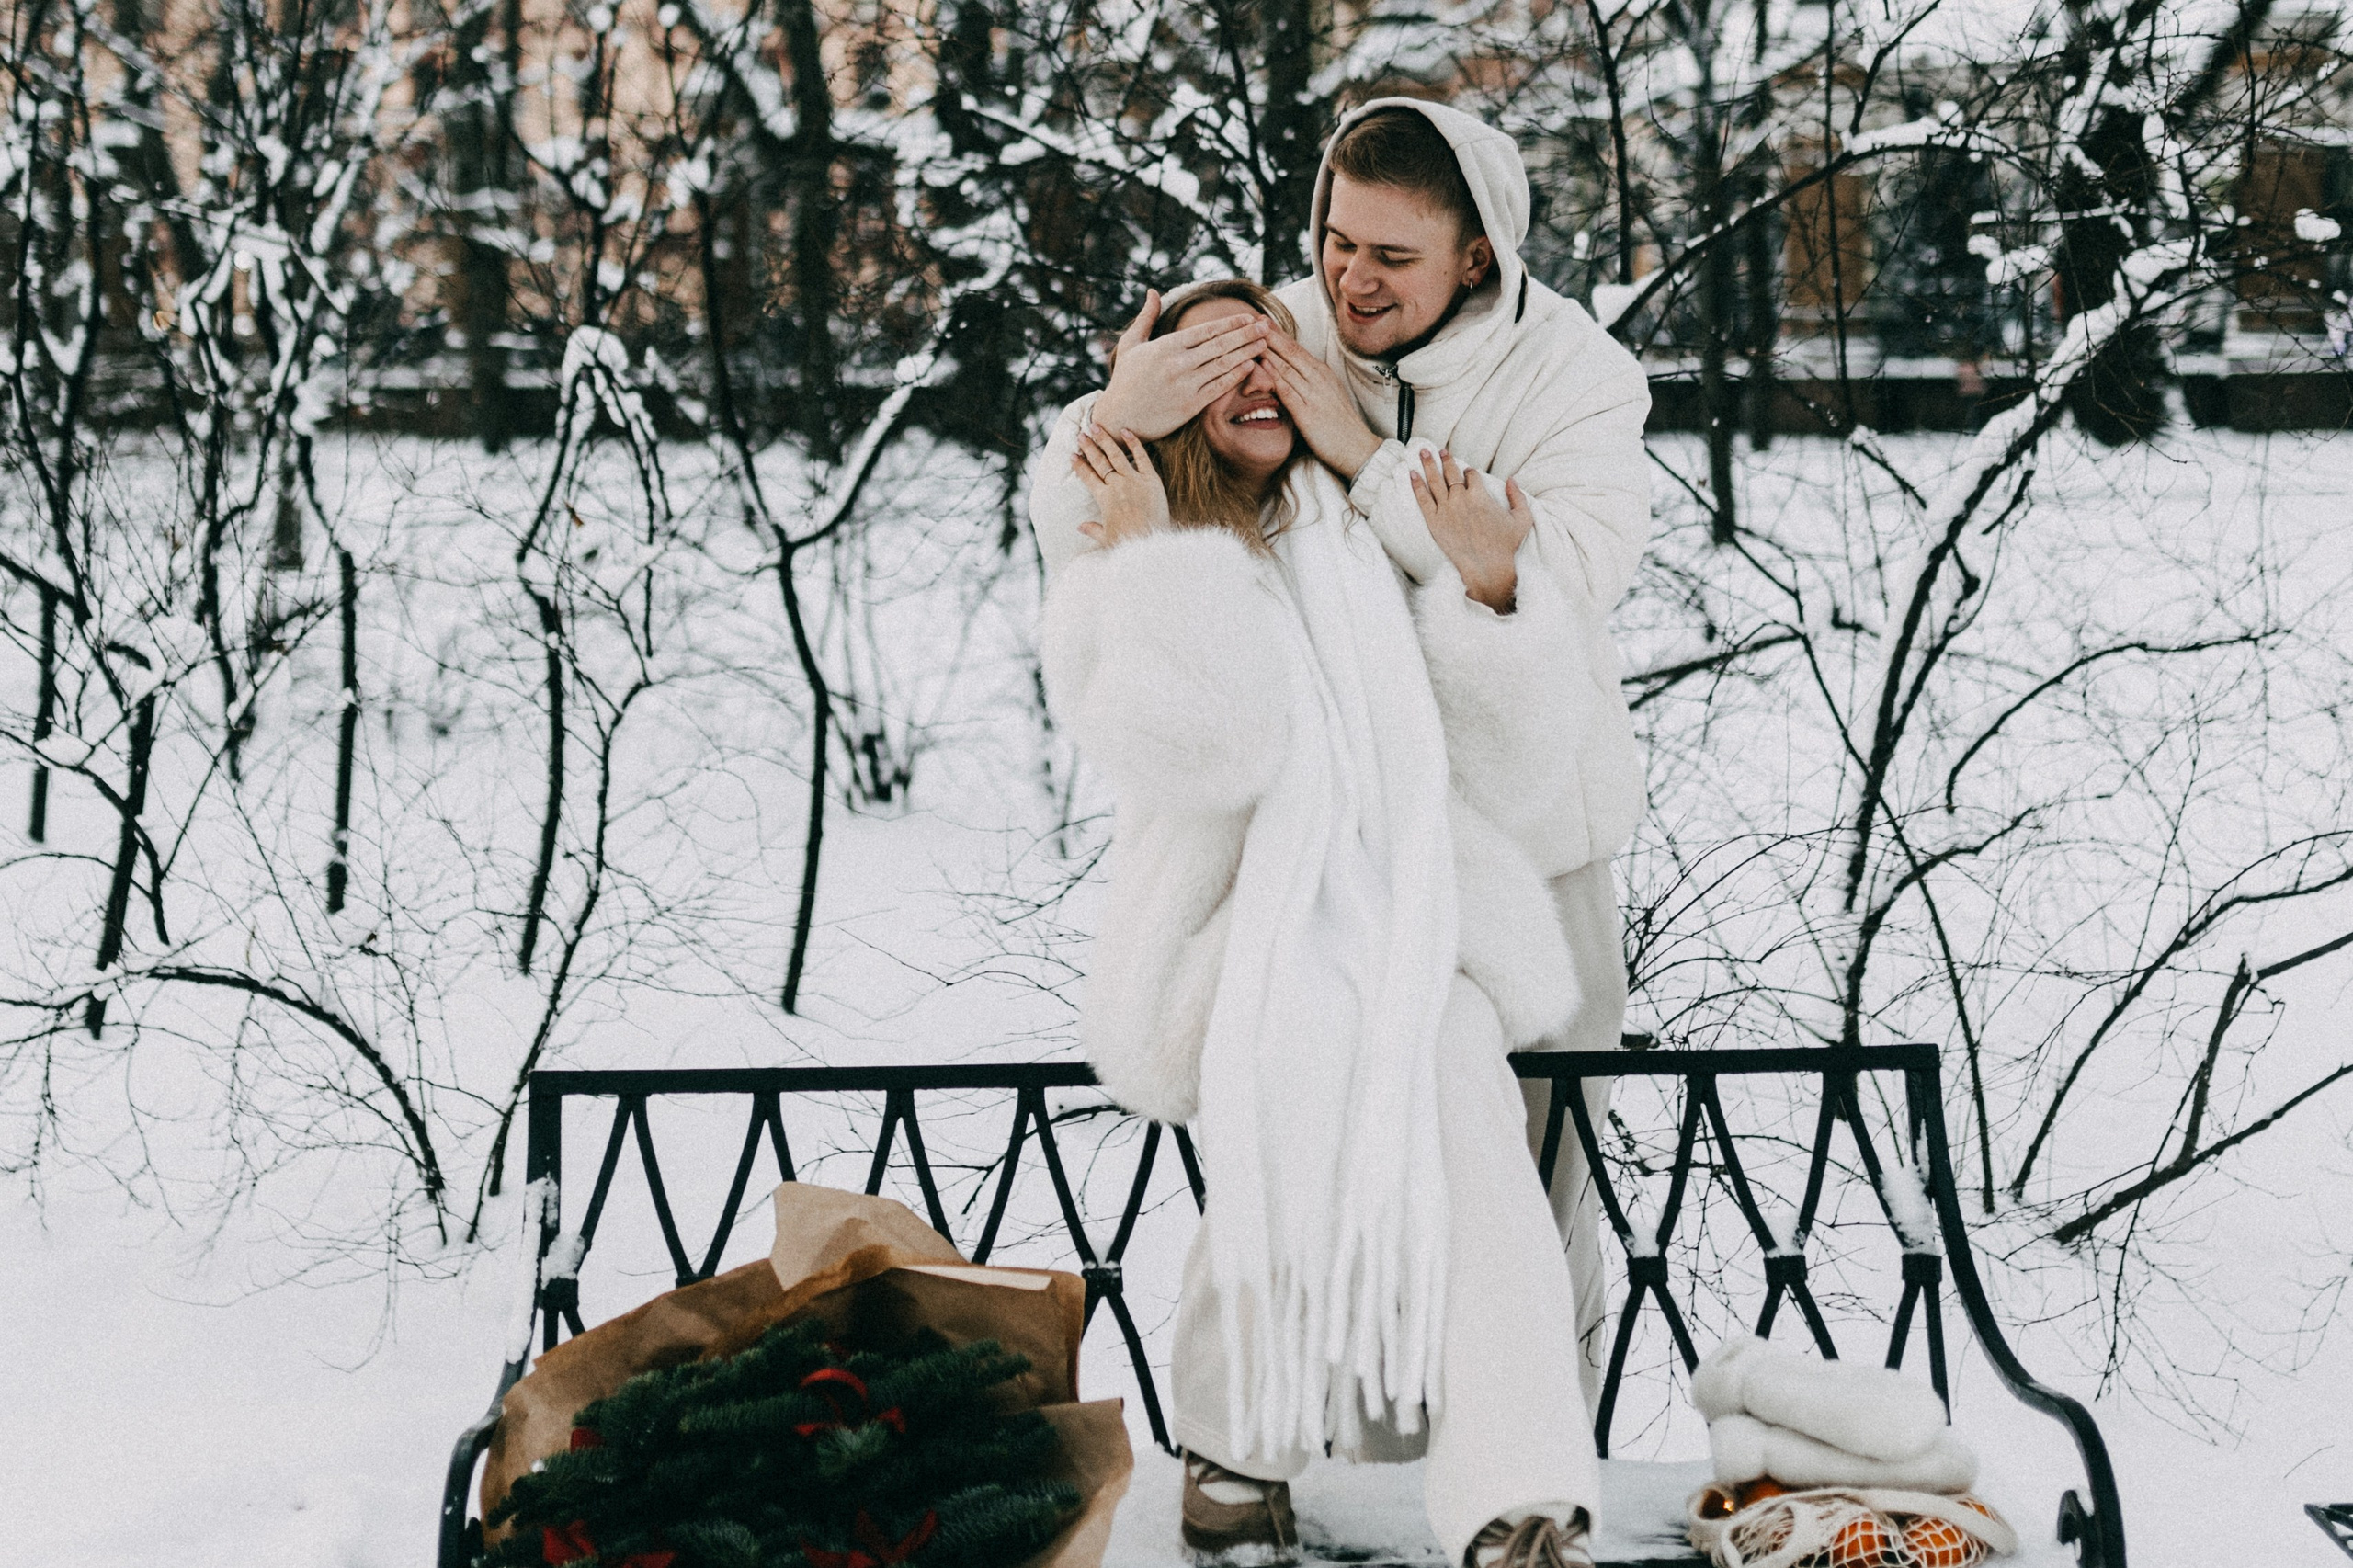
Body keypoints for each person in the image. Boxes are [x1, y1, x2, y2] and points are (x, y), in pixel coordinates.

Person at [1031, 98, 1650, 1568]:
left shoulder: (1566, 383)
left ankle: (1467, 1485)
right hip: (1255, 914)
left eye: (1388, 255)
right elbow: (1117, 475)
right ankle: (1395, 1480)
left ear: (1475, 255)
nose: (1343, 284)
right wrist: (1119, 425)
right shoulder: (1251, 431)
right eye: (1331, 244)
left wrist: (1397, 501)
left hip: (1493, 868)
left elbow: (1535, 632)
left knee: (1496, 1150)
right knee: (1317, 1045)